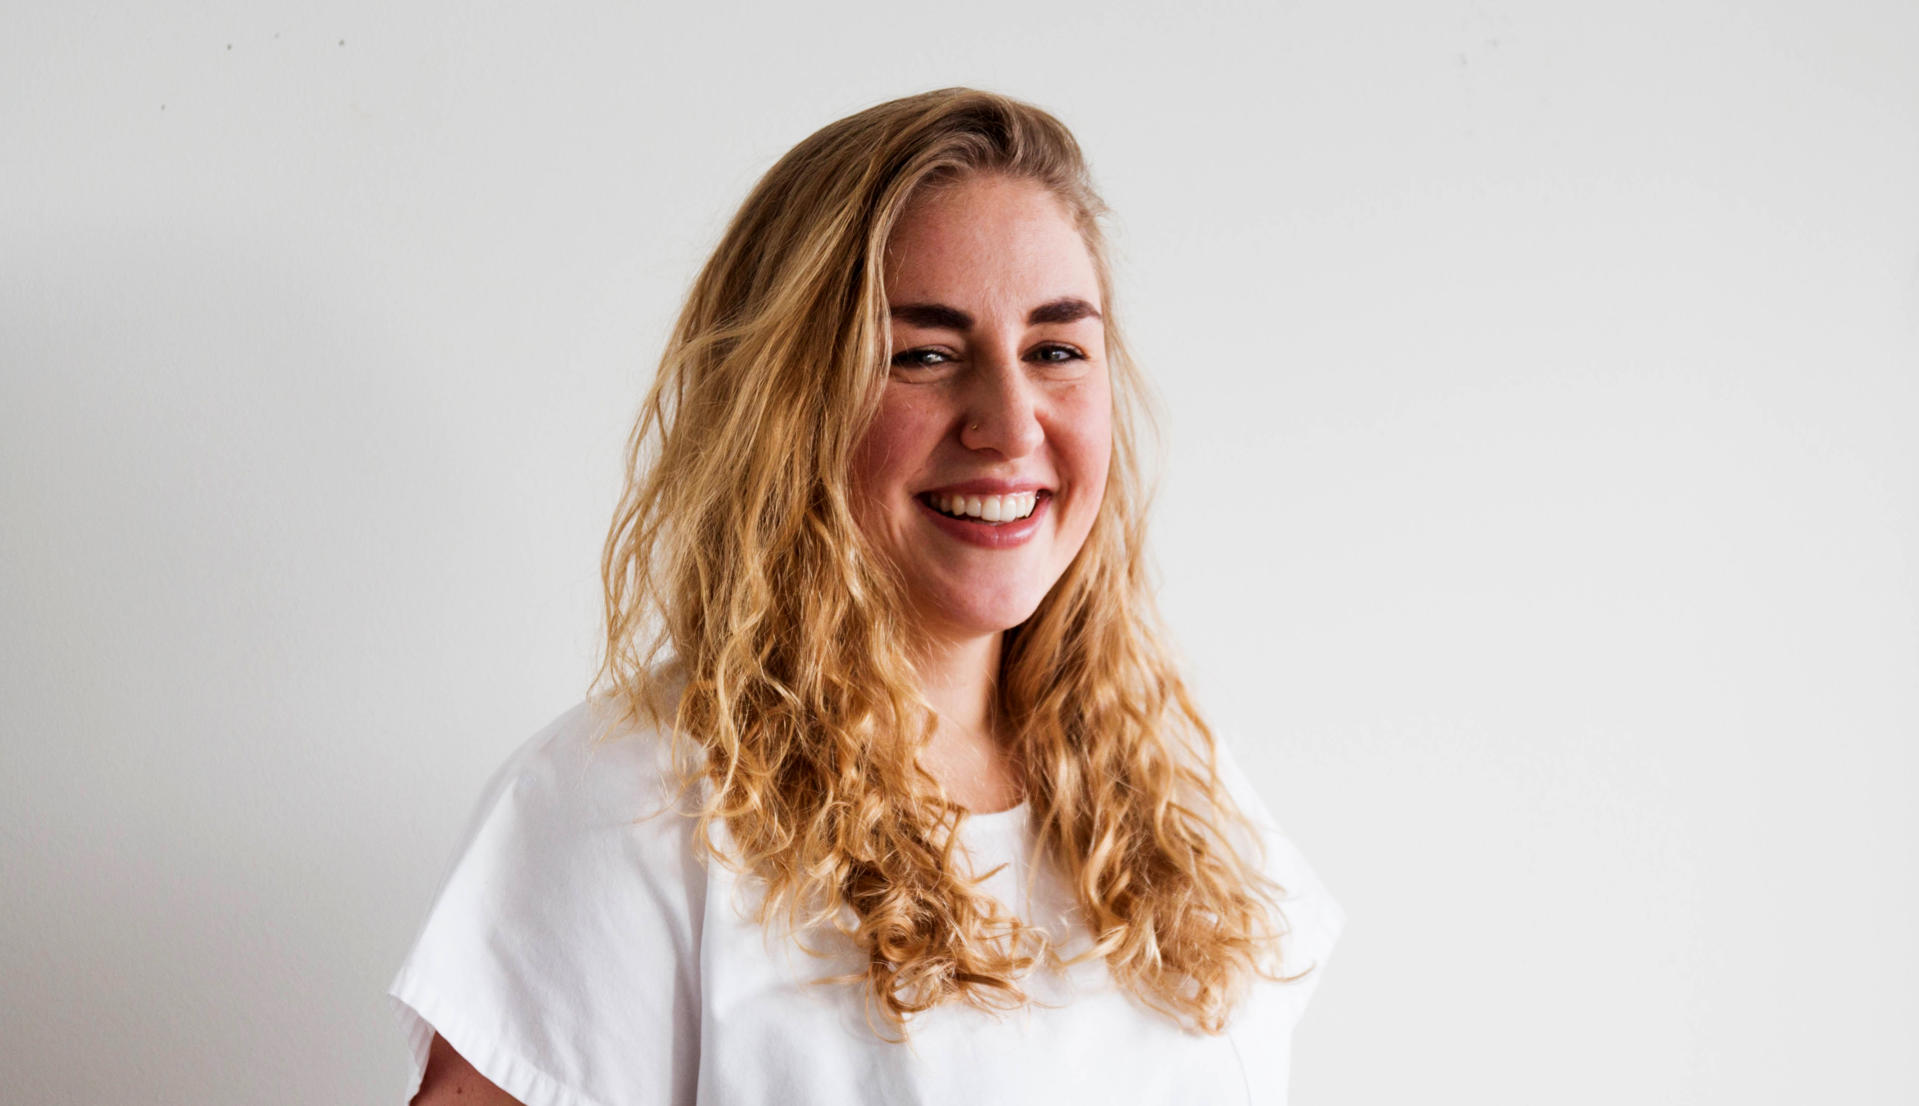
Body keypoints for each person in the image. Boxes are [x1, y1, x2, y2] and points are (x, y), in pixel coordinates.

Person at [388, 87, 1346, 1106]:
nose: (1010, 425)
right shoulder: (631, 809)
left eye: (1055, 351)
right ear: (785, 403)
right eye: (923, 355)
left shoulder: (1178, 787)